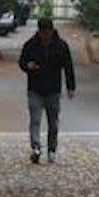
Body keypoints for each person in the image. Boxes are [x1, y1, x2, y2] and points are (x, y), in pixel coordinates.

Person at [18, 17, 75, 164]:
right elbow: (22, 62)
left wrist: (70, 86)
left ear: (51, 31)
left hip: (53, 90)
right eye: (42, 33)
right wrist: (28, 66)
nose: (45, 35)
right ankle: (36, 147)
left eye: (47, 32)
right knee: (35, 120)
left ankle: (51, 149)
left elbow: (68, 67)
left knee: (53, 122)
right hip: (35, 89)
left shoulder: (60, 46)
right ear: (39, 31)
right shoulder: (31, 45)